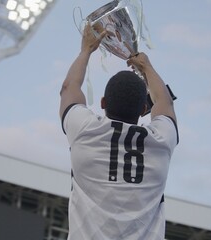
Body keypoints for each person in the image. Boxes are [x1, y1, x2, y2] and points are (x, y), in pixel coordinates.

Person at [59, 23, 179, 240]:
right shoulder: (161, 141)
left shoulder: (85, 131)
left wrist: (85, 50)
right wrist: (147, 66)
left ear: (103, 103)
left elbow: (68, 89)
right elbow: (165, 102)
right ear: (144, 109)